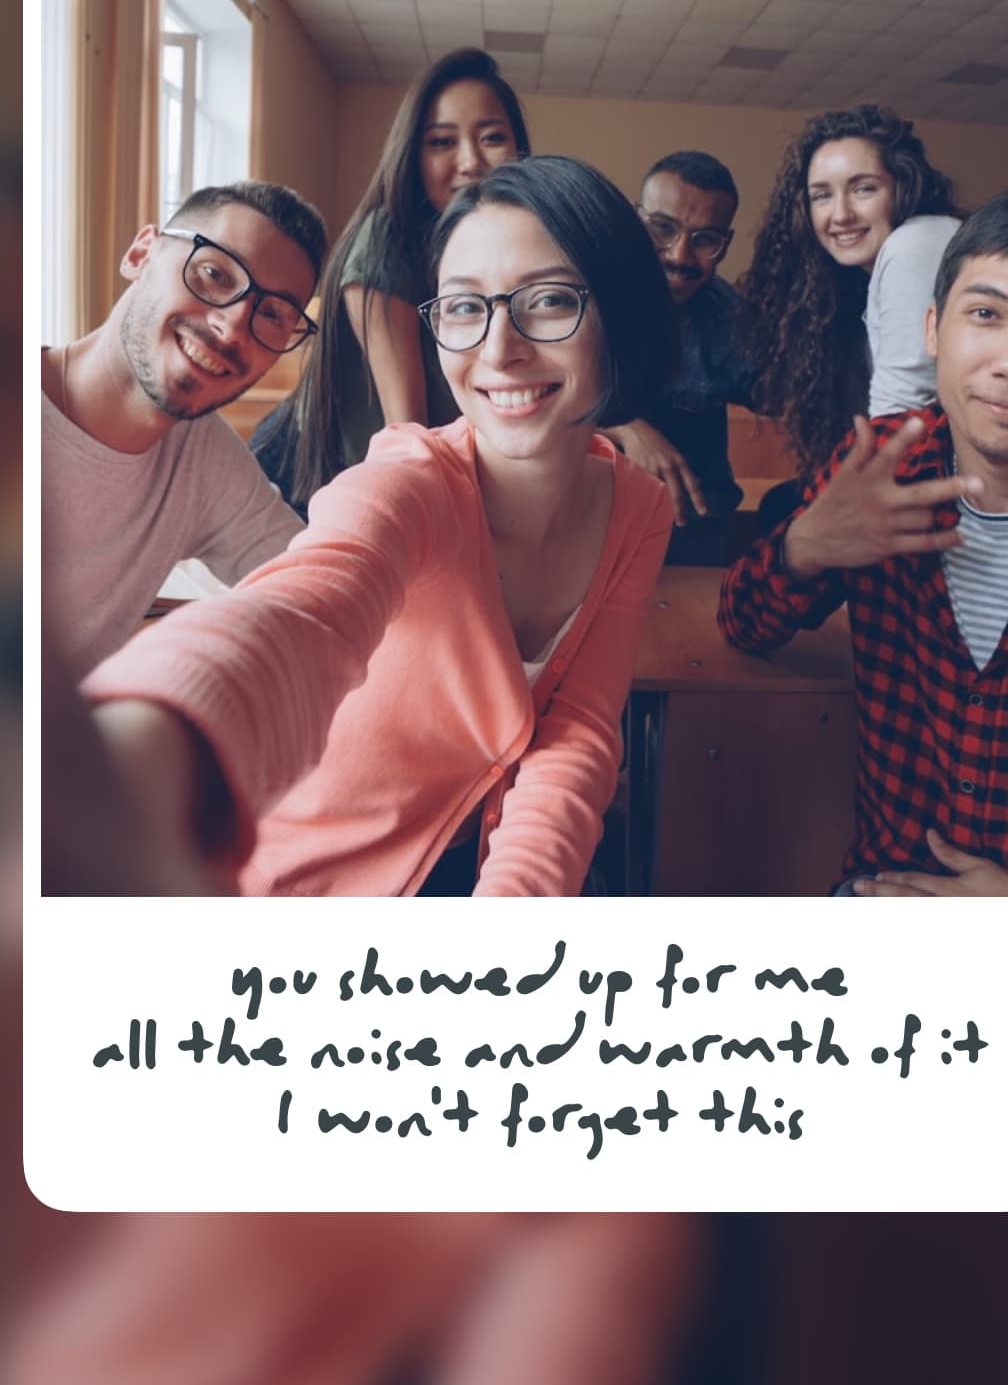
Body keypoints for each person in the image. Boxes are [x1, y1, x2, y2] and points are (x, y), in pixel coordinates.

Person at [82, 156, 676, 898]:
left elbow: (578, 733)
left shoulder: (640, 509)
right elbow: (303, 614)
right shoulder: (409, 480)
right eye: (464, 308)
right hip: (276, 889)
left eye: (550, 300)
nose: (498, 350)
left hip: (454, 869)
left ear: (619, 311)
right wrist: (156, 736)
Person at [720, 188, 1008, 896]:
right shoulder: (882, 466)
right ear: (933, 330)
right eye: (986, 314)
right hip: (879, 894)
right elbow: (740, 620)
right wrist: (802, 547)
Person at [42, 180, 326, 679]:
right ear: (140, 253)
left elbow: (319, 594)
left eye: (273, 314)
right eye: (214, 273)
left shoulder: (204, 458)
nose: (234, 326)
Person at [252, 47, 530, 517]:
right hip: (305, 482)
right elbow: (408, 426)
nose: (470, 161)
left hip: (388, 482)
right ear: (412, 154)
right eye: (442, 142)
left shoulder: (500, 251)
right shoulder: (386, 238)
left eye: (492, 137)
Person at [740, 104, 963, 488]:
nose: (840, 214)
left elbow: (900, 410)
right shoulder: (874, 268)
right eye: (822, 196)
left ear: (904, 186)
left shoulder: (915, 242)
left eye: (863, 189)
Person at [605, 150, 754, 566]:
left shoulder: (733, 318)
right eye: (662, 229)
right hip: (582, 521)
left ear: (724, 246)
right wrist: (625, 428)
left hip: (691, 530)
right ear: (637, 221)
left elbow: (794, 399)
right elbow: (540, 392)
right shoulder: (585, 290)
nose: (679, 256)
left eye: (705, 239)